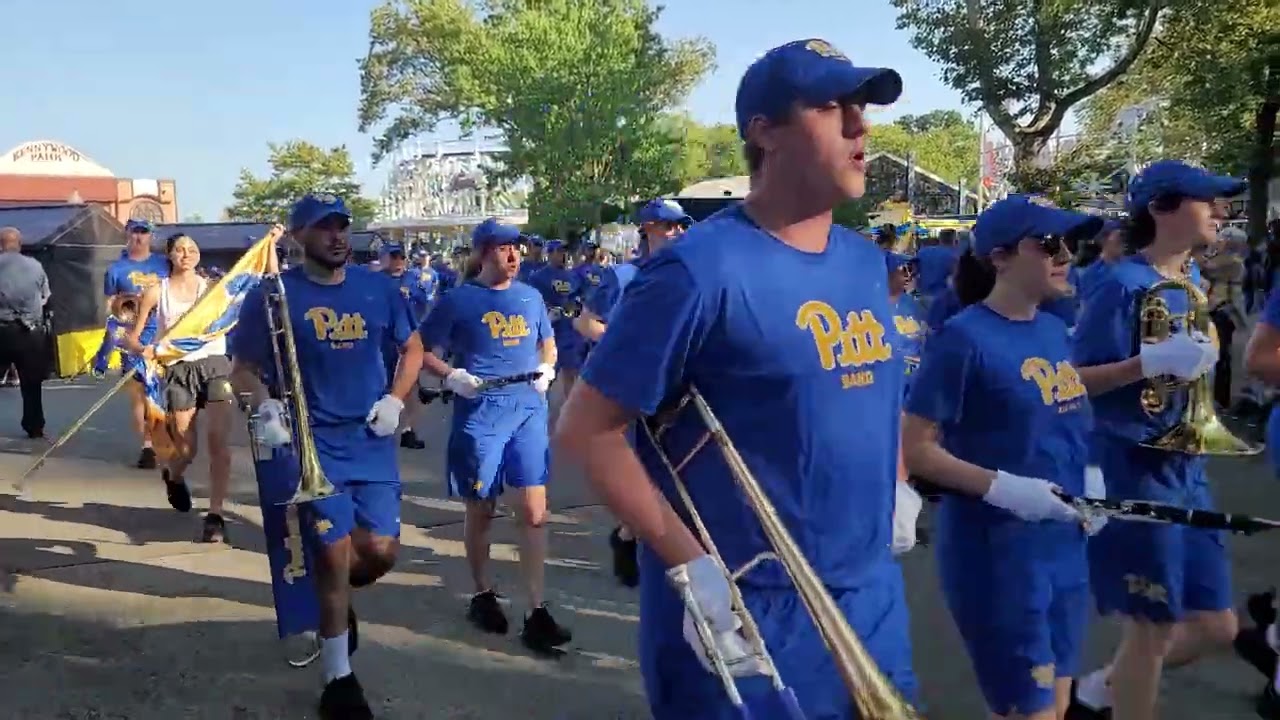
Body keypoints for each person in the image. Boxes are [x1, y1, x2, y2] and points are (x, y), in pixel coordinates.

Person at [554, 38, 920, 718]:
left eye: (862, 106)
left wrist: (896, 483)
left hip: (872, 597)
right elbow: (588, 430)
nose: (860, 124)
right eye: (832, 106)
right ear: (765, 131)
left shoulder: (866, 263)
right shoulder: (697, 270)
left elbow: (878, 395)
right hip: (751, 612)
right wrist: (692, 570)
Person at [903, 196, 1112, 720]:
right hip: (999, 557)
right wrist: (1003, 488)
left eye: (1070, 244)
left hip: (1065, 545)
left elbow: (1067, 415)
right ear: (999, 256)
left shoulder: (1051, 327)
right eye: (1049, 244)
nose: (1065, 255)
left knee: (1058, 705)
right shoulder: (962, 339)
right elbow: (913, 447)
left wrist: (1091, 475)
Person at [230, 193, 418, 719]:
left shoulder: (378, 289)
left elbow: (415, 348)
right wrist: (265, 406)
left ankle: (332, 598)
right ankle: (339, 678)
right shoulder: (273, 295)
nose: (337, 236)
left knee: (380, 551)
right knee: (334, 558)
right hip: (314, 447)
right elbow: (241, 369)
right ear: (297, 237)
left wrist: (395, 398)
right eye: (323, 227)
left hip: (372, 443)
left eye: (342, 226)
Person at [1069, 160, 1238, 720]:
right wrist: (1146, 363)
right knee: (1151, 628)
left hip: (1187, 467)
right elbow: (1072, 382)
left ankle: (1099, 691)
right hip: (1133, 466)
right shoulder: (1118, 285)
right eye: (1206, 200)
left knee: (1217, 625)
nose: (1221, 210)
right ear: (1162, 208)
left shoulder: (1189, 282)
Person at [411, 217, 572, 654]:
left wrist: (549, 368)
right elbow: (419, 349)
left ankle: (537, 610)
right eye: (503, 248)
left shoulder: (531, 296)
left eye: (516, 247)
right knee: (481, 508)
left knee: (534, 510)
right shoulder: (459, 300)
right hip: (481, 410)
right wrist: (451, 375)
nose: (514, 255)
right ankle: (483, 594)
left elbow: (548, 341)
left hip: (527, 406)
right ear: (484, 252)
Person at [574, 197, 691, 589]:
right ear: (649, 229)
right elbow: (586, 324)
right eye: (669, 226)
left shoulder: (685, 275)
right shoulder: (623, 276)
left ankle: (630, 533)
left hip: (672, 388)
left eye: (680, 226)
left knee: (671, 471)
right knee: (639, 470)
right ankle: (632, 538)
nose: (677, 233)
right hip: (627, 386)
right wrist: (632, 348)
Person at [122, 234, 234, 538]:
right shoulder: (157, 292)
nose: (186, 254)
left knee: (219, 442)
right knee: (186, 448)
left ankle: (215, 515)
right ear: (170, 256)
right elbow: (132, 336)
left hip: (214, 365)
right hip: (177, 370)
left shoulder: (213, 290)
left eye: (192, 249)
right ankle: (173, 476)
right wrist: (142, 349)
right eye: (180, 250)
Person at [104, 219, 169, 468]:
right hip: (133, 336)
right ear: (128, 234)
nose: (139, 237)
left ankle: (167, 434)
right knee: (139, 394)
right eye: (135, 232)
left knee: (164, 391)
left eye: (144, 232)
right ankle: (148, 444)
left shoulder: (163, 264)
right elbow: (110, 304)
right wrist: (115, 333)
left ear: (151, 236)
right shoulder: (116, 269)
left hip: (163, 333)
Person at [0, 226, 52, 439]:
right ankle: (34, 426)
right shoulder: (36, 266)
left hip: (2, 330)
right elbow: (45, 296)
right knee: (31, 383)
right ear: (19, 244)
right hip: (30, 333)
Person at [379, 242, 428, 450]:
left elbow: (424, 300)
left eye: (401, 257)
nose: (398, 261)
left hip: (409, 336)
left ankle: (408, 429)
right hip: (383, 340)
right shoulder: (374, 281)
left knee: (410, 385)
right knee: (382, 383)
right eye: (393, 257)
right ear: (383, 258)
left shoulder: (414, 279)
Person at [528, 240, 585, 402]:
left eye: (564, 251)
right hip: (548, 333)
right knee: (545, 375)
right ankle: (537, 408)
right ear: (550, 253)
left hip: (570, 332)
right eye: (559, 251)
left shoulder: (573, 276)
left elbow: (580, 298)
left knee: (571, 373)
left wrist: (576, 306)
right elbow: (533, 301)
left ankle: (570, 411)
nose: (563, 255)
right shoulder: (539, 277)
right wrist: (547, 310)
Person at [885, 251, 924, 395]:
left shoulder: (912, 304)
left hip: (916, 385)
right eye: (903, 270)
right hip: (890, 384)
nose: (909, 275)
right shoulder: (869, 307)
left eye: (912, 270)